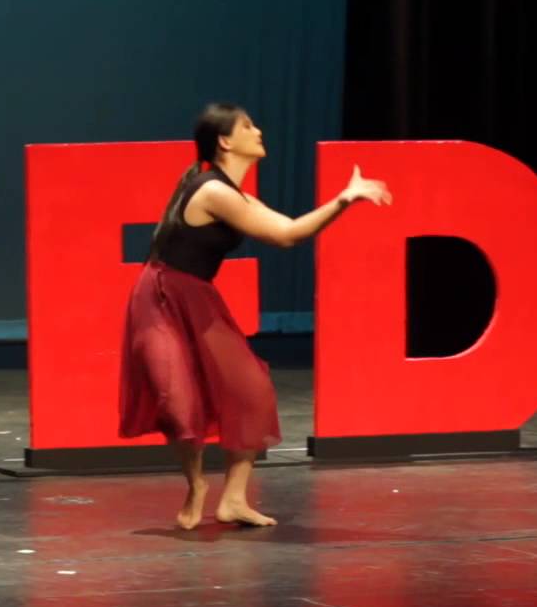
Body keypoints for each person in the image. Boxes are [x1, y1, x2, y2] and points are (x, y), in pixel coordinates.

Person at [119, 102, 392, 529]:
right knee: (178, 400)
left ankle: (233, 499)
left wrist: (344, 200)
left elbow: (288, 229)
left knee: (251, 388)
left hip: (197, 296)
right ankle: (196, 486)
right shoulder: (212, 191)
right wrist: (344, 198)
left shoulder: (235, 194)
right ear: (226, 141)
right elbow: (284, 236)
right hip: (161, 296)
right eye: (248, 126)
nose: (259, 131)